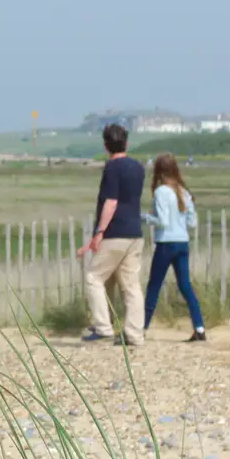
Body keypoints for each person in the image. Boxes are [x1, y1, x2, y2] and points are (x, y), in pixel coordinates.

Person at [77, 123, 146, 346]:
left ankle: (103, 326)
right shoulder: (138, 167)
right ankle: (135, 333)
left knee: (93, 278)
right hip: (135, 232)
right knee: (131, 285)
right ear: (126, 142)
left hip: (116, 232)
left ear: (106, 145)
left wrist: (99, 232)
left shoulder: (112, 168)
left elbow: (111, 201)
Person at [141, 154, 206, 341]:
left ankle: (142, 328)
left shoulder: (162, 191)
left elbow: (161, 221)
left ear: (158, 171)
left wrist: (145, 217)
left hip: (166, 243)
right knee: (185, 286)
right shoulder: (183, 192)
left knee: (154, 286)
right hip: (182, 242)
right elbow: (192, 222)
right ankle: (199, 327)